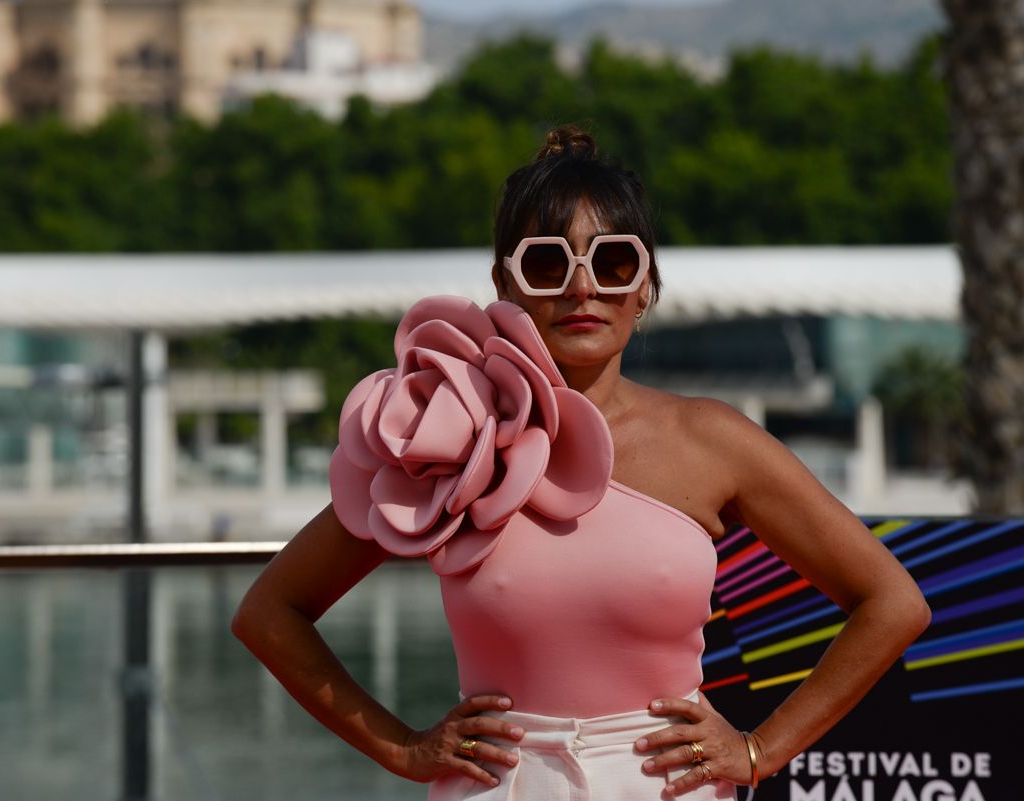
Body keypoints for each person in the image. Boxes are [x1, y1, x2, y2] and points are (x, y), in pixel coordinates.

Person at [231, 125, 931, 800]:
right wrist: (402, 747)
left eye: (612, 259)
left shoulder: (712, 441)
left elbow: (892, 601)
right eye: (547, 261)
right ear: (507, 284)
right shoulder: (446, 436)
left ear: (645, 284)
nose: (582, 285)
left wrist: (759, 750)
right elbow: (270, 611)